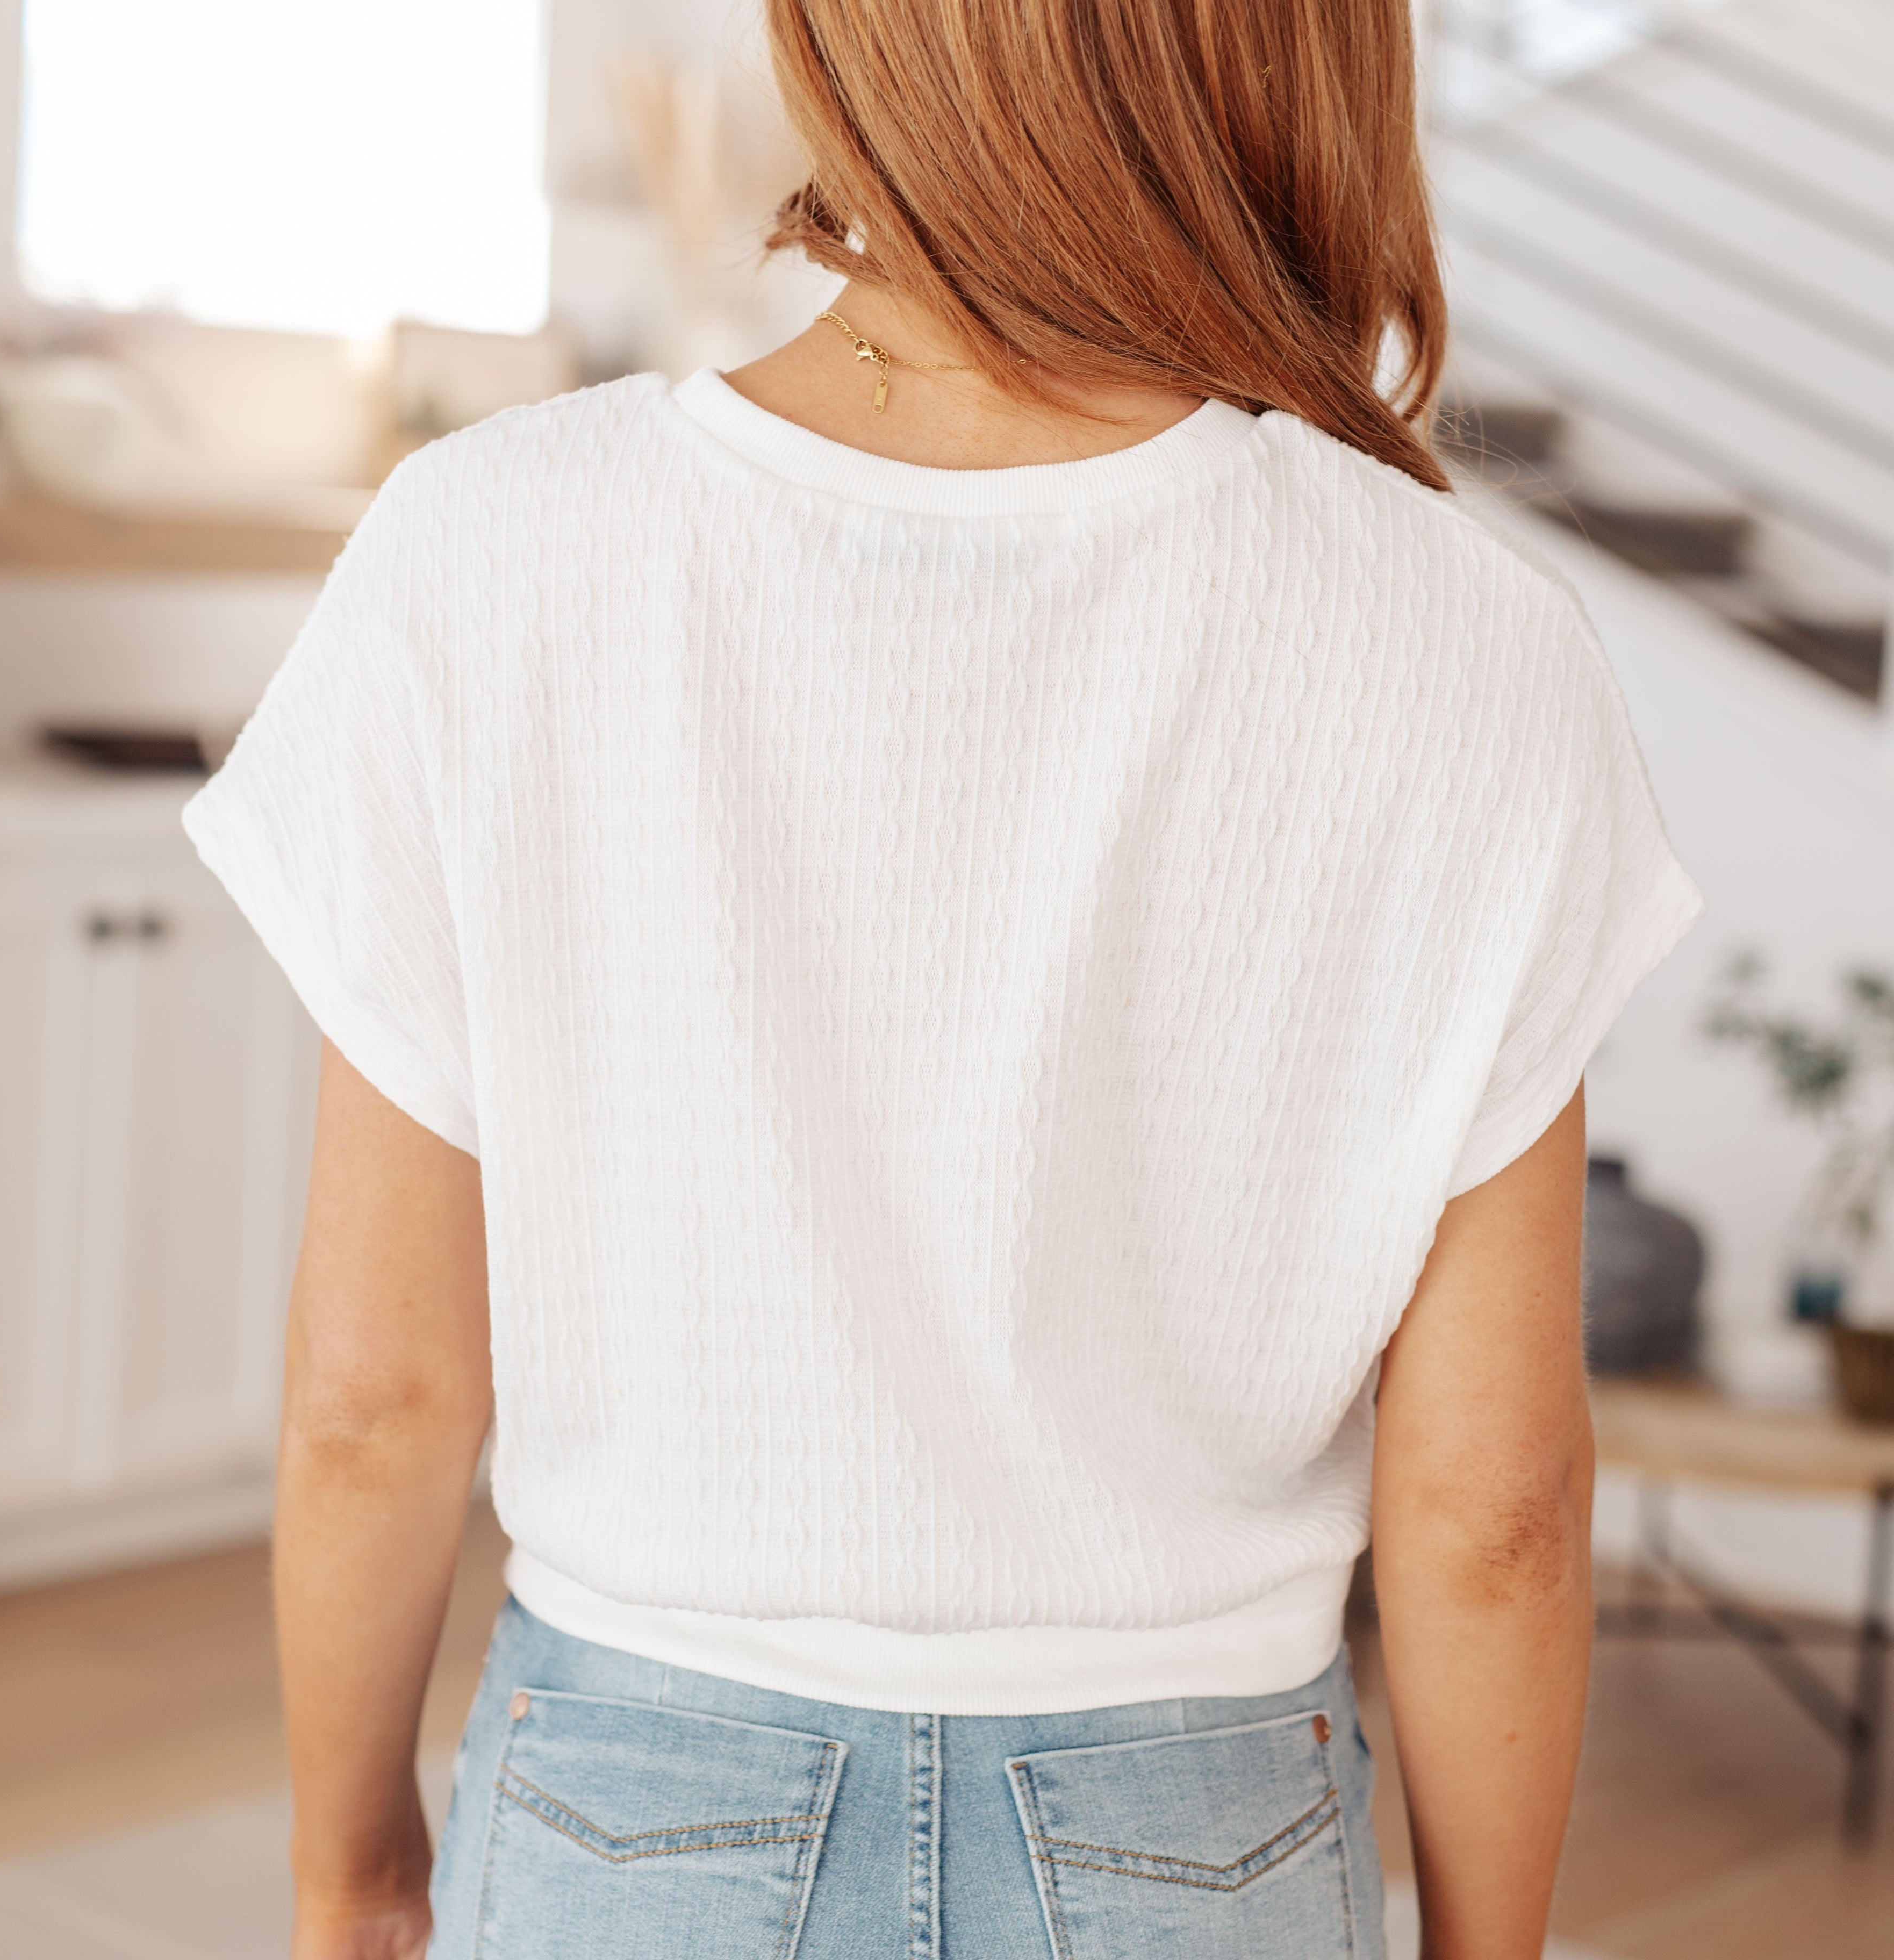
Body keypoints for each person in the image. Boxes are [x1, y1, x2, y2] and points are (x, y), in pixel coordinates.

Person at [183, 3, 1703, 1956]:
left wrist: (347, 1870)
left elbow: (376, 1397)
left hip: (626, 1806)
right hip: (1202, 1826)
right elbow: (1499, 1512)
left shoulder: (485, 550)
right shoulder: (1474, 648)